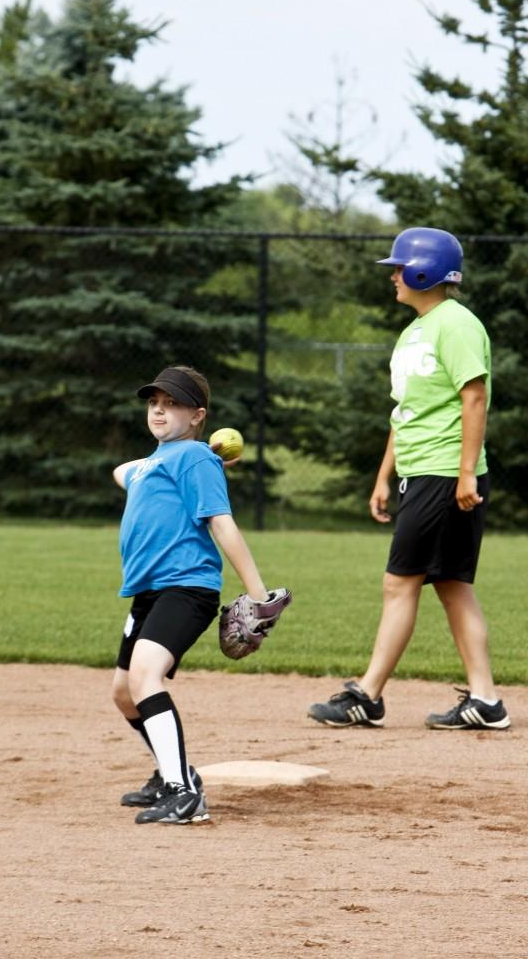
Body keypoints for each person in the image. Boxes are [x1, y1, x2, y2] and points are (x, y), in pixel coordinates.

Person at [308, 227, 510, 731]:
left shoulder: (456, 323)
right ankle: (485, 700)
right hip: (421, 472)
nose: (393, 276)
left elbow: (474, 397)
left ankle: (368, 694)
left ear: (426, 271)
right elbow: (407, 412)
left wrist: (466, 474)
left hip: (443, 471)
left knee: (400, 583)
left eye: (400, 268)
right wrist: (384, 475)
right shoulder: (414, 330)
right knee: (452, 585)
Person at [111, 364, 272, 824]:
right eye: (154, 403)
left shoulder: (194, 459)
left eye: (173, 404)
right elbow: (122, 470)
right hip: (148, 593)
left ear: (198, 415)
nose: (159, 411)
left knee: (145, 676)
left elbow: (222, 524)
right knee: (124, 693)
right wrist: (203, 457)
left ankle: (185, 794)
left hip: (187, 587)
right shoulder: (157, 463)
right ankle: (170, 772)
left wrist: (257, 595)